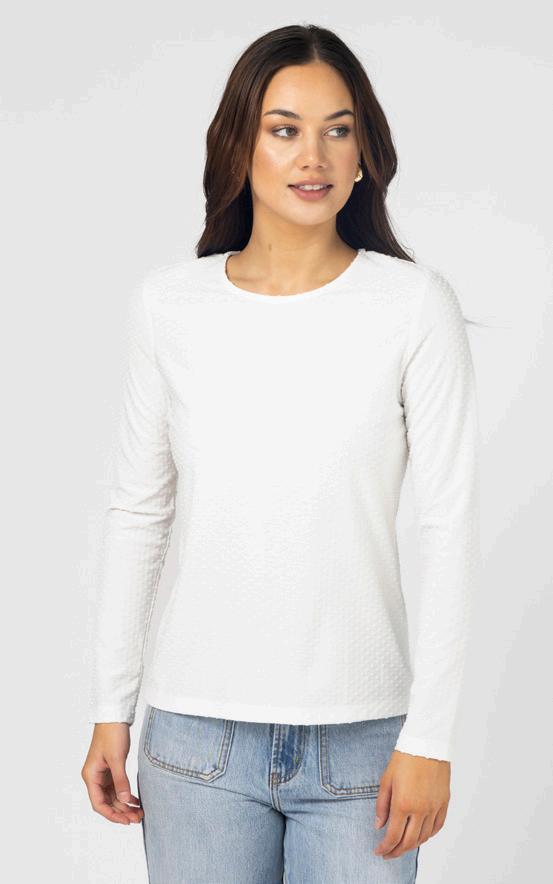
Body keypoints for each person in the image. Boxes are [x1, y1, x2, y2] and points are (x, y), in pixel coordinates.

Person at [81, 22, 480, 884]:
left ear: (364, 153)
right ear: (241, 144)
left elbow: (449, 526)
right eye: (284, 128)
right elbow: (138, 513)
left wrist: (431, 737)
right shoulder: (168, 307)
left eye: (338, 129)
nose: (313, 155)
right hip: (194, 743)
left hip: (365, 748)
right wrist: (111, 708)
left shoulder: (413, 306)